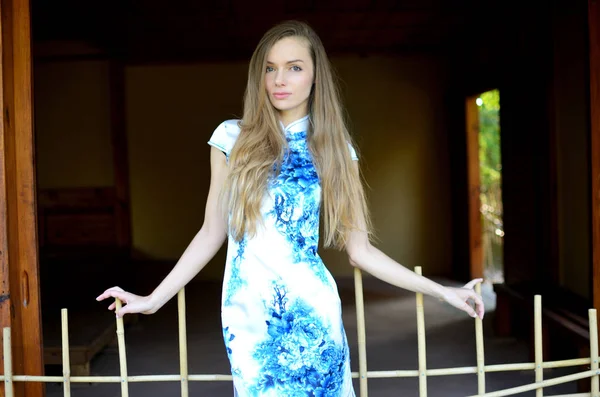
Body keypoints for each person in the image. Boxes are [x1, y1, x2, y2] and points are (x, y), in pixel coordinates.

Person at [97, 20, 484, 397]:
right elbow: (211, 232)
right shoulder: (232, 138)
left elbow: (360, 251)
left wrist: (443, 293)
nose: (280, 79)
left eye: (294, 68)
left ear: (315, 77)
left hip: (313, 314)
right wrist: (152, 300)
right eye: (270, 68)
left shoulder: (334, 152)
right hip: (247, 316)